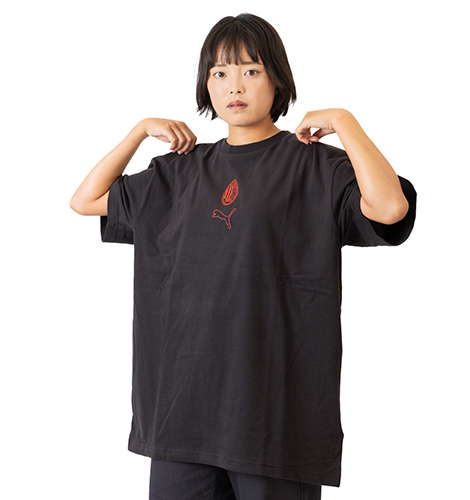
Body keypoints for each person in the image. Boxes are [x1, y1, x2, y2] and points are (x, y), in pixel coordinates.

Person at [70, 12, 417, 500]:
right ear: (206, 85)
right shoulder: (178, 173)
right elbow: (85, 201)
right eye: (220, 72)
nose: (234, 85)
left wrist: (344, 121)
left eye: (251, 70)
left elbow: (389, 208)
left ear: (277, 79)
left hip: (274, 425)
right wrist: (139, 132)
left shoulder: (315, 167)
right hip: (182, 420)